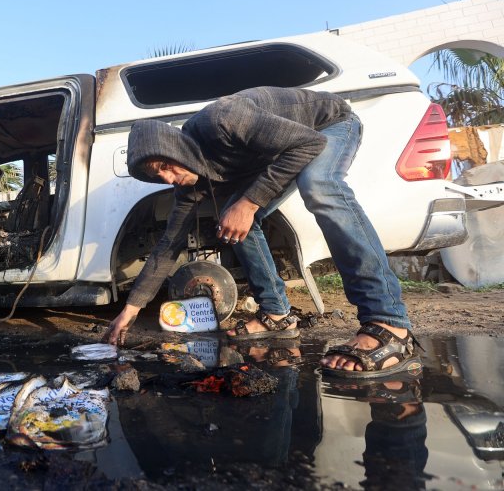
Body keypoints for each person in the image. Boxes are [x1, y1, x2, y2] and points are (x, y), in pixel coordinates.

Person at [102, 86, 419, 377]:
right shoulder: (190, 185)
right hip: (285, 151)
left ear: (176, 148)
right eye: (158, 177)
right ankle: (276, 315)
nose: (169, 178)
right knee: (233, 223)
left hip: (328, 126)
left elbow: (310, 143)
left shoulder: (222, 120)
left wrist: (249, 202)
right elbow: (167, 248)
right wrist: (130, 311)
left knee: (319, 186)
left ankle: (388, 321)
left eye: (166, 165)